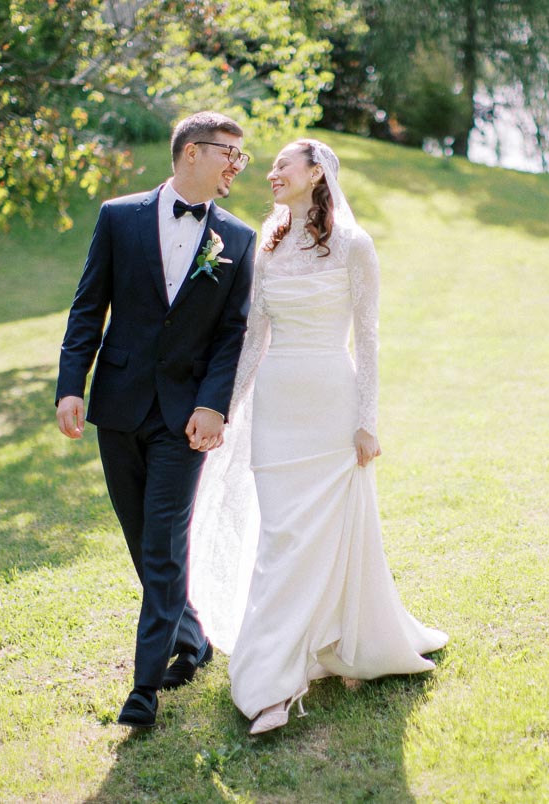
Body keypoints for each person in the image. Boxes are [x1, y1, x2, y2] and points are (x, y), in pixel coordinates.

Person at [192, 138, 447, 736]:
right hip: (279, 406)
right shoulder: (269, 243)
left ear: (316, 173)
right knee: (282, 539)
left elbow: (369, 337)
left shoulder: (355, 246)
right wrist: (225, 411)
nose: (271, 173)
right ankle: (273, 677)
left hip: (332, 407)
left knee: (325, 539)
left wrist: (367, 420)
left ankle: (283, 679)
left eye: (282, 164)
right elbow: (254, 338)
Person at [55, 111, 257, 728]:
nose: (237, 166)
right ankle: (193, 640)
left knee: (164, 542)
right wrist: (71, 386)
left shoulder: (239, 239)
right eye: (230, 153)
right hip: (118, 405)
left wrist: (212, 403)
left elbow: (232, 334)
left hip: (185, 420)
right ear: (193, 152)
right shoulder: (120, 217)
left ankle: (144, 687)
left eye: (242, 158)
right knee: (141, 537)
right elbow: (89, 305)